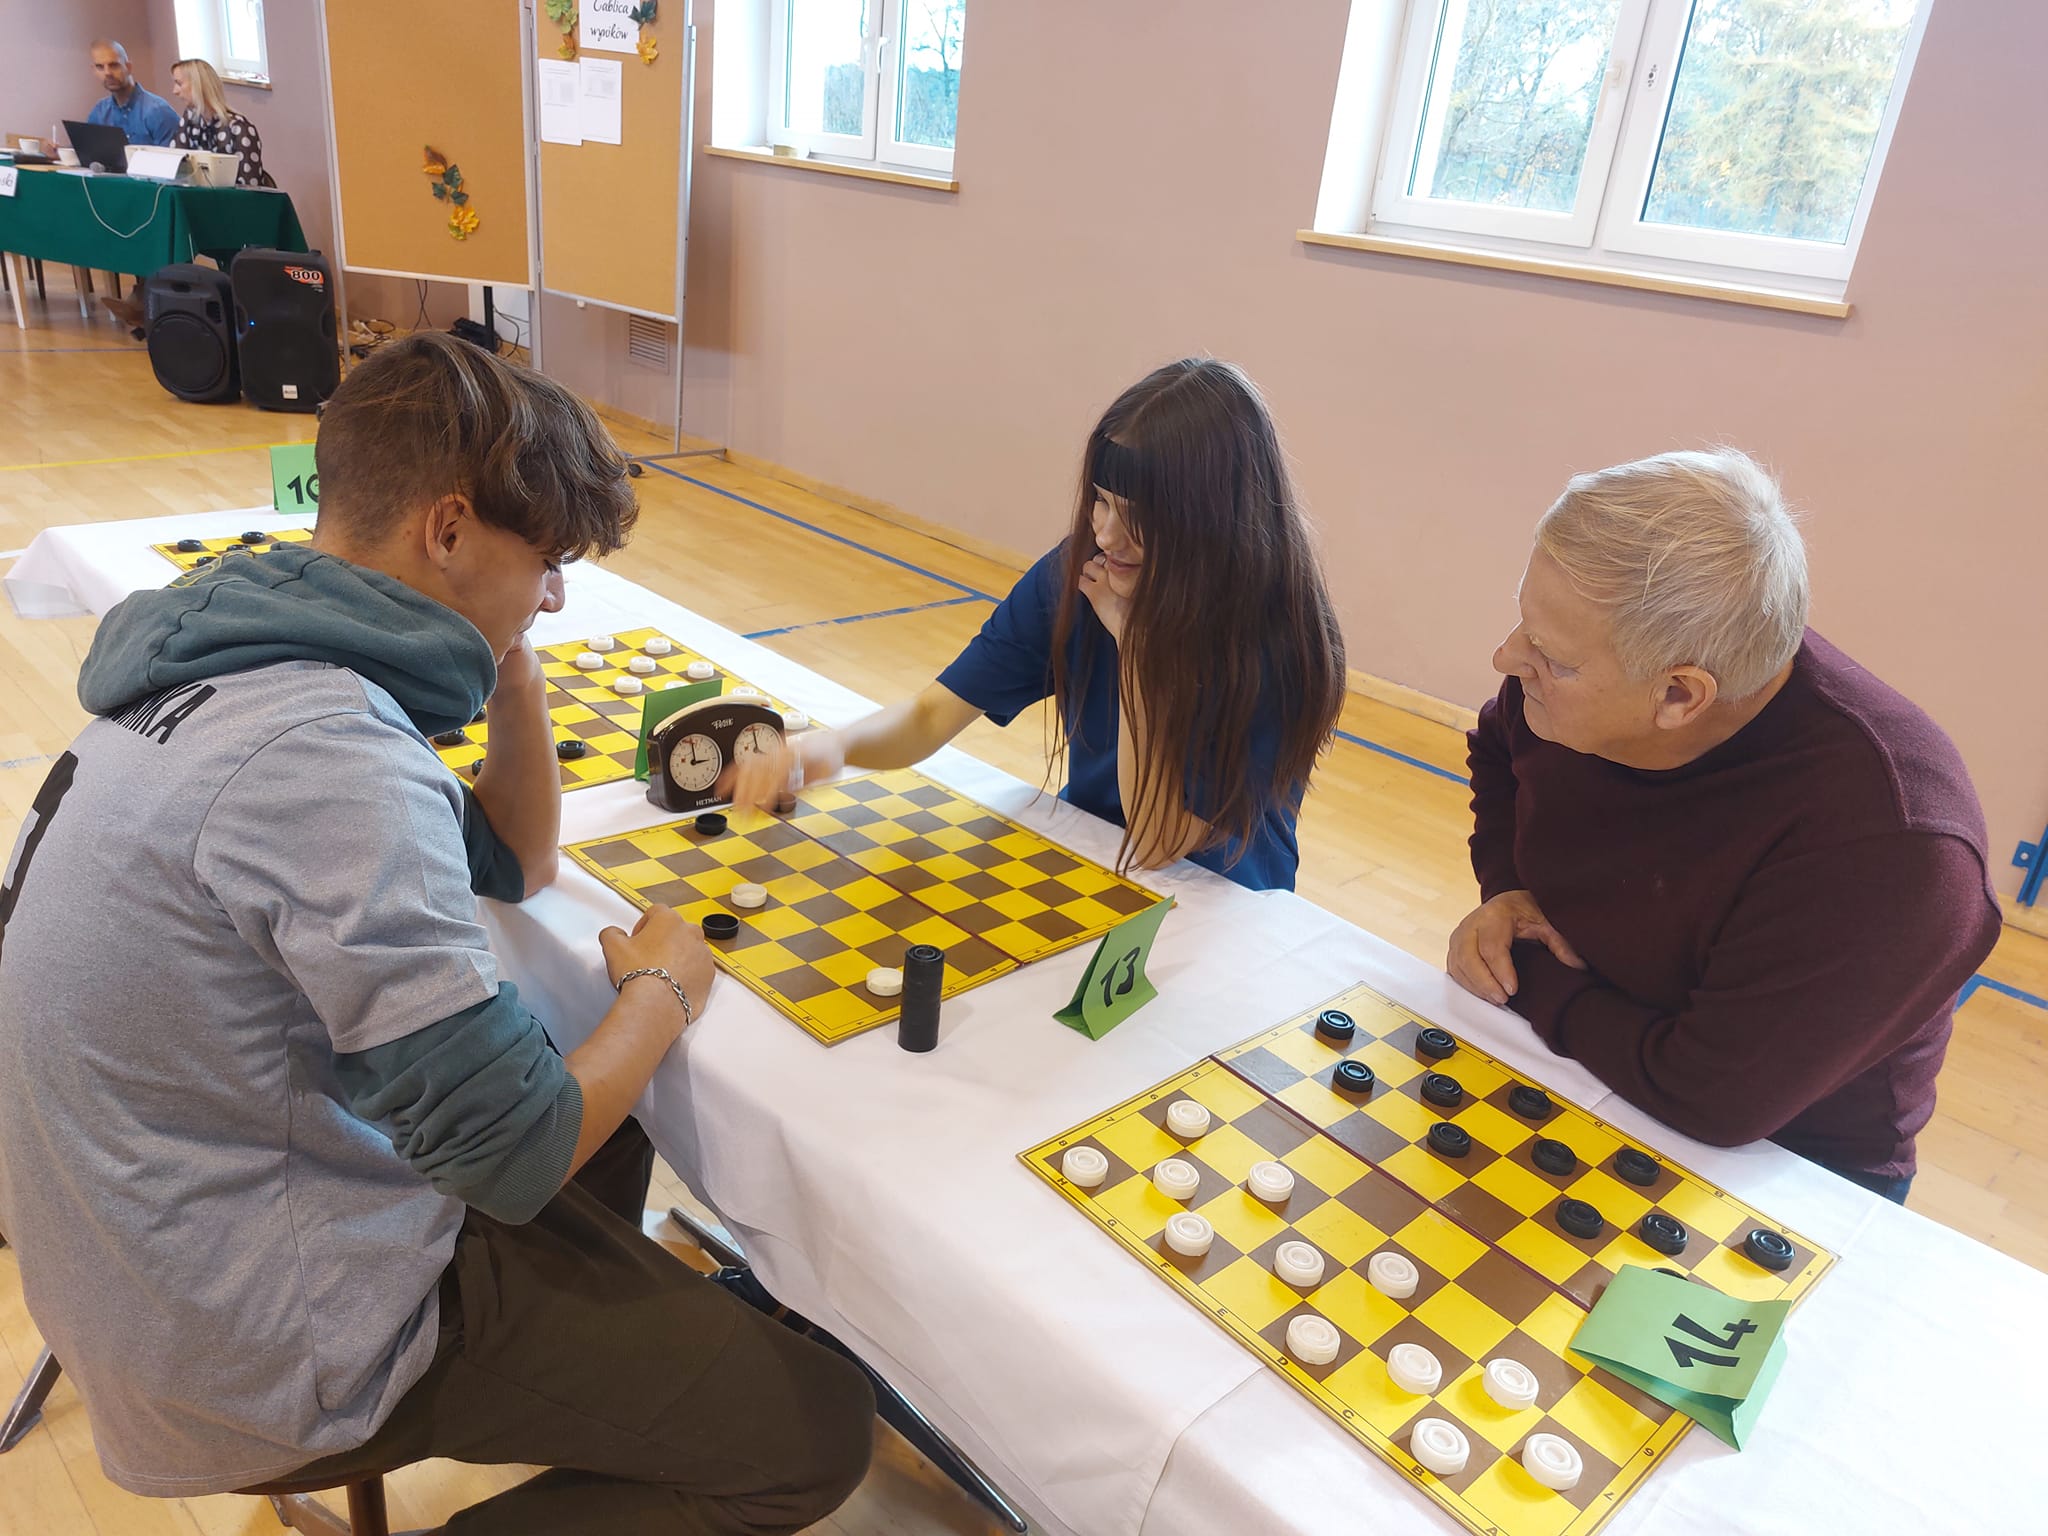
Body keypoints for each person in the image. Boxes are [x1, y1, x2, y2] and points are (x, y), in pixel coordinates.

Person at [0, 333, 873, 1532]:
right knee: (813, 1430)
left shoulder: (243, 656)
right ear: (449, 531)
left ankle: (584, 1372)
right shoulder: (327, 759)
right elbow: (514, 1153)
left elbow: (516, 861)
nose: (556, 597)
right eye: (546, 562)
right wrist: (662, 993)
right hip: (248, 1342)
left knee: (590, 1095)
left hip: (139, 1245)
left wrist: (513, 672)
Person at [1448, 448, 2000, 1201]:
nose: (1507, 657)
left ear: (1680, 695)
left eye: (1549, 655)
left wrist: (1525, 972)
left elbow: (1713, 1098)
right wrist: (1508, 890)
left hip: (1782, 1161)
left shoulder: (1894, 845)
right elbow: (1498, 749)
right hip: (1583, 1046)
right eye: (1523, 622)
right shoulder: (1555, 692)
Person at [731, 358, 1348, 891]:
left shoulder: (1279, 635)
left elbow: (1158, 842)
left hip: (1228, 902)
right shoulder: (1084, 574)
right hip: (1094, 861)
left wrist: (1133, 647)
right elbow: (931, 715)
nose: (1106, 535)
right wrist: (831, 749)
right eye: (1100, 501)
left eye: (1139, 516)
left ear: (1211, 519)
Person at [169, 57, 273, 187]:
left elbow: (250, 188)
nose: (175, 91)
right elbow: (173, 165)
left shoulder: (240, 129)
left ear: (198, 85)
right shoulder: (190, 120)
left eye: (179, 84)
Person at [85, 39, 179, 148]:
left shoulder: (158, 111)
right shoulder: (99, 112)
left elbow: (175, 157)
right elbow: (88, 152)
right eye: (100, 67)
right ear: (94, 71)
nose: (107, 73)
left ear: (128, 67)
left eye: (114, 65)